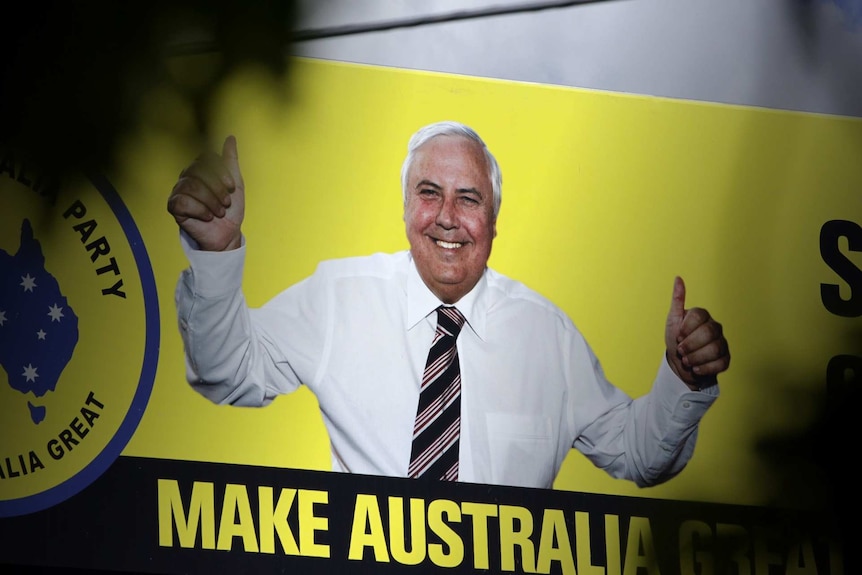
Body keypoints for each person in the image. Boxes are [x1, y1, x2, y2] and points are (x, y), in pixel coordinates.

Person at [168, 121, 730, 489]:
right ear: (406, 206)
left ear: (493, 222)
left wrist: (683, 379)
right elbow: (225, 372)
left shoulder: (546, 336)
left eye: (468, 199)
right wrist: (216, 256)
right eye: (429, 193)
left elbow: (639, 455)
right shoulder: (339, 297)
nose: (446, 218)